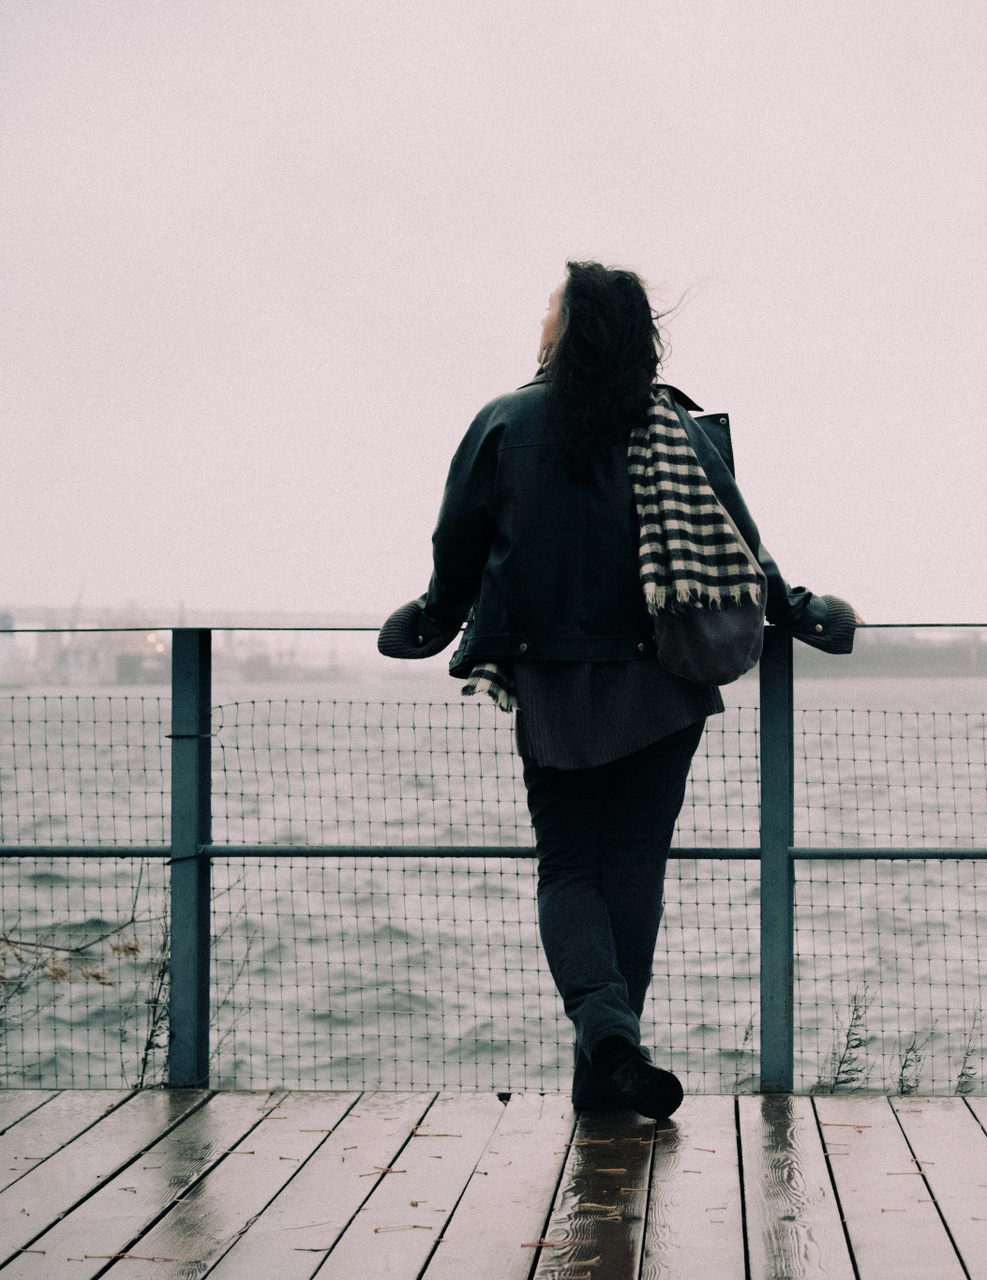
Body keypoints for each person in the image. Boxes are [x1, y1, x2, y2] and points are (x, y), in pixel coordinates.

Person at [379, 262, 857, 1118]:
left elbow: (459, 546)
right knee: (633, 871)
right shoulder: (674, 429)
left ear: (568, 329)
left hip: (554, 682)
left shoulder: (505, 422)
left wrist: (433, 620)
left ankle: (606, 1035)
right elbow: (737, 544)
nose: (541, 318)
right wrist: (800, 610)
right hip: (663, 681)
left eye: (549, 307)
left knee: (569, 869)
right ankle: (608, 1073)